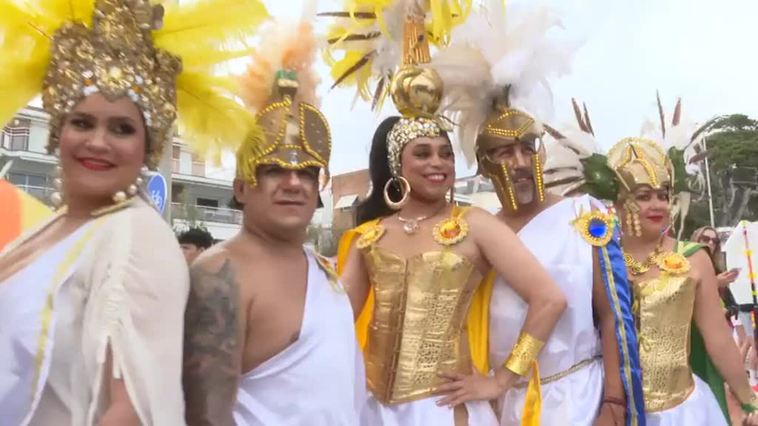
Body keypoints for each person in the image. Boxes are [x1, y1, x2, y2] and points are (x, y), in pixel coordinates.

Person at [0, 0, 267, 424]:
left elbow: (132, 410)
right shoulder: (54, 226)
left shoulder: (138, 238)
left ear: (149, 147)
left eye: (122, 128)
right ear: (58, 131)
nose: (98, 142)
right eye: (83, 122)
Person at [333, 8, 566, 426]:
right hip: (371, 410)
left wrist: (502, 379)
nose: (437, 164)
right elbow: (330, 324)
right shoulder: (369, 237)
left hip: (447, 411)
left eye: (444, 154)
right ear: (397, 165)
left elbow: (549, 299)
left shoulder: (474, 224)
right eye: (421, 154)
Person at [432, 7, 643, 425]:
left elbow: (612, 316)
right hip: (508, 406)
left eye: (527, 148)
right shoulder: (477, 231)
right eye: (504, 152)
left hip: (581, 396)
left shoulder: (583, 215)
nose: (520, 162)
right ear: (485, 164)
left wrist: (614, 401)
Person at [182, 19, 364, 426]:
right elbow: (205, 418)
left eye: (307, 172)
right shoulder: (219, 274)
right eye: (274, 170)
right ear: (242, 187)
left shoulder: (320, 269)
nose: (294, 183)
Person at [598, 132, 758, 424]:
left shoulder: (693, 257)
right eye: (644, 196)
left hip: (684, 412)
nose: (658, 205)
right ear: (620, 202)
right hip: (617, 410)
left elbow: (719, 340)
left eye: (663, 194)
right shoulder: (602, 260)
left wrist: (749, 402)